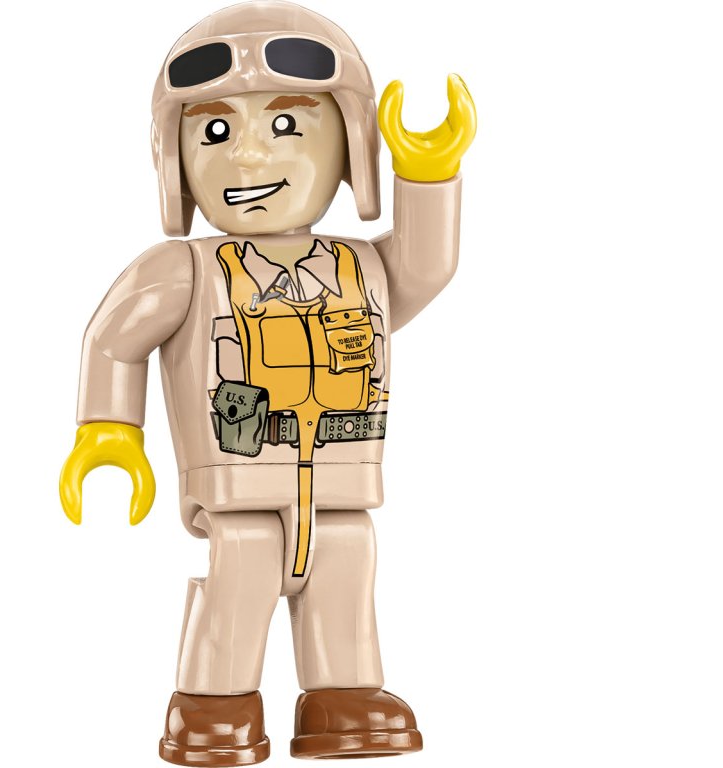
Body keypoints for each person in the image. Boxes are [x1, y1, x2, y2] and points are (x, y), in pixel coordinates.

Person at [59, 2, 476, 764]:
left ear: (350, 147)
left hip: (340, 475)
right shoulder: (183, 272)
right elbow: (114, 340)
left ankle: (343, 696)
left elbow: (428, 263)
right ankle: (212, 703)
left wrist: (427, 171)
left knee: (346, 562)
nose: (249, 156)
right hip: (240, 484)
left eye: (286, 125)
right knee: (242, 567)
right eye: (216, 132)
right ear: (174, 161)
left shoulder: (363, 268)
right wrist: (109, 430)